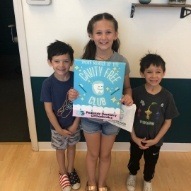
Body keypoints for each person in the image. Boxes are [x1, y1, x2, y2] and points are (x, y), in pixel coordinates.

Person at [69, 13, 133, 191]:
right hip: (89, 118)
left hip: (112, 118)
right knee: (93, 153)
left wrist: (128, 96)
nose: (103, 37)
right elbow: (79, 90)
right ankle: (91, 183)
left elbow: (127, 88)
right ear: (90, 35)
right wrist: (73, 94)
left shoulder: (121, 61)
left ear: (115, 34)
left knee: (105, 155)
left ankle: (102, 183)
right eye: (98, 33)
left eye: (108, 32)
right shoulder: (85, 61)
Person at [126, 53, 179, 191]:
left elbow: (168, 121)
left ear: (164, 73)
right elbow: (128, 117)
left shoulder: (167, 96)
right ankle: (132, 174)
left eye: (158, 72)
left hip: (155, 141)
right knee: (133, 160)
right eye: (149, 72)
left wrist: (156, 140)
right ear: (142, 73)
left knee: (151, 163)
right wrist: (134, 137)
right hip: (136, 139)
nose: (153, 76)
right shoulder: (136, 93)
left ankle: (147, 180)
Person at [40, 40, 81, 191]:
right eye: (57, 61)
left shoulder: (77, 79)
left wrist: (76, 122)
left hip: (74, 124)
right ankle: (63, 173)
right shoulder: (47, 84)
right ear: (50, 62)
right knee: (60, 149)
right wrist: (58, 129)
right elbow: (48, 110)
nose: (61, 65)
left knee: (71, 146)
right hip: (56, 126)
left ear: (71, 62)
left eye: (65, 61)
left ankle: (71, 170)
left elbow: (82, 103)